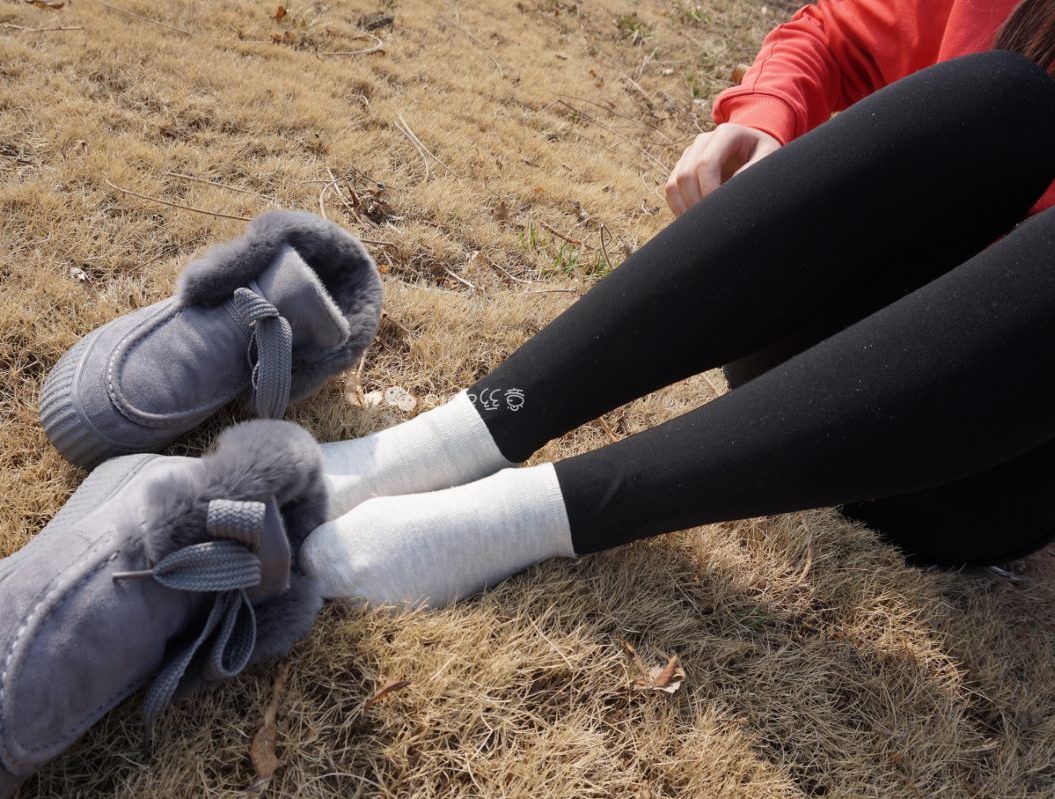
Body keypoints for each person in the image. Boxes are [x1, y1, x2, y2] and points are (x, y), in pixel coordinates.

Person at [297, 0, 1055, 608]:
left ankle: (530, 516)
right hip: (807, 349)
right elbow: (840, 32)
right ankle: (452, 440)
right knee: (1004, 96)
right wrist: (765, 112)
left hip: (972, 462)